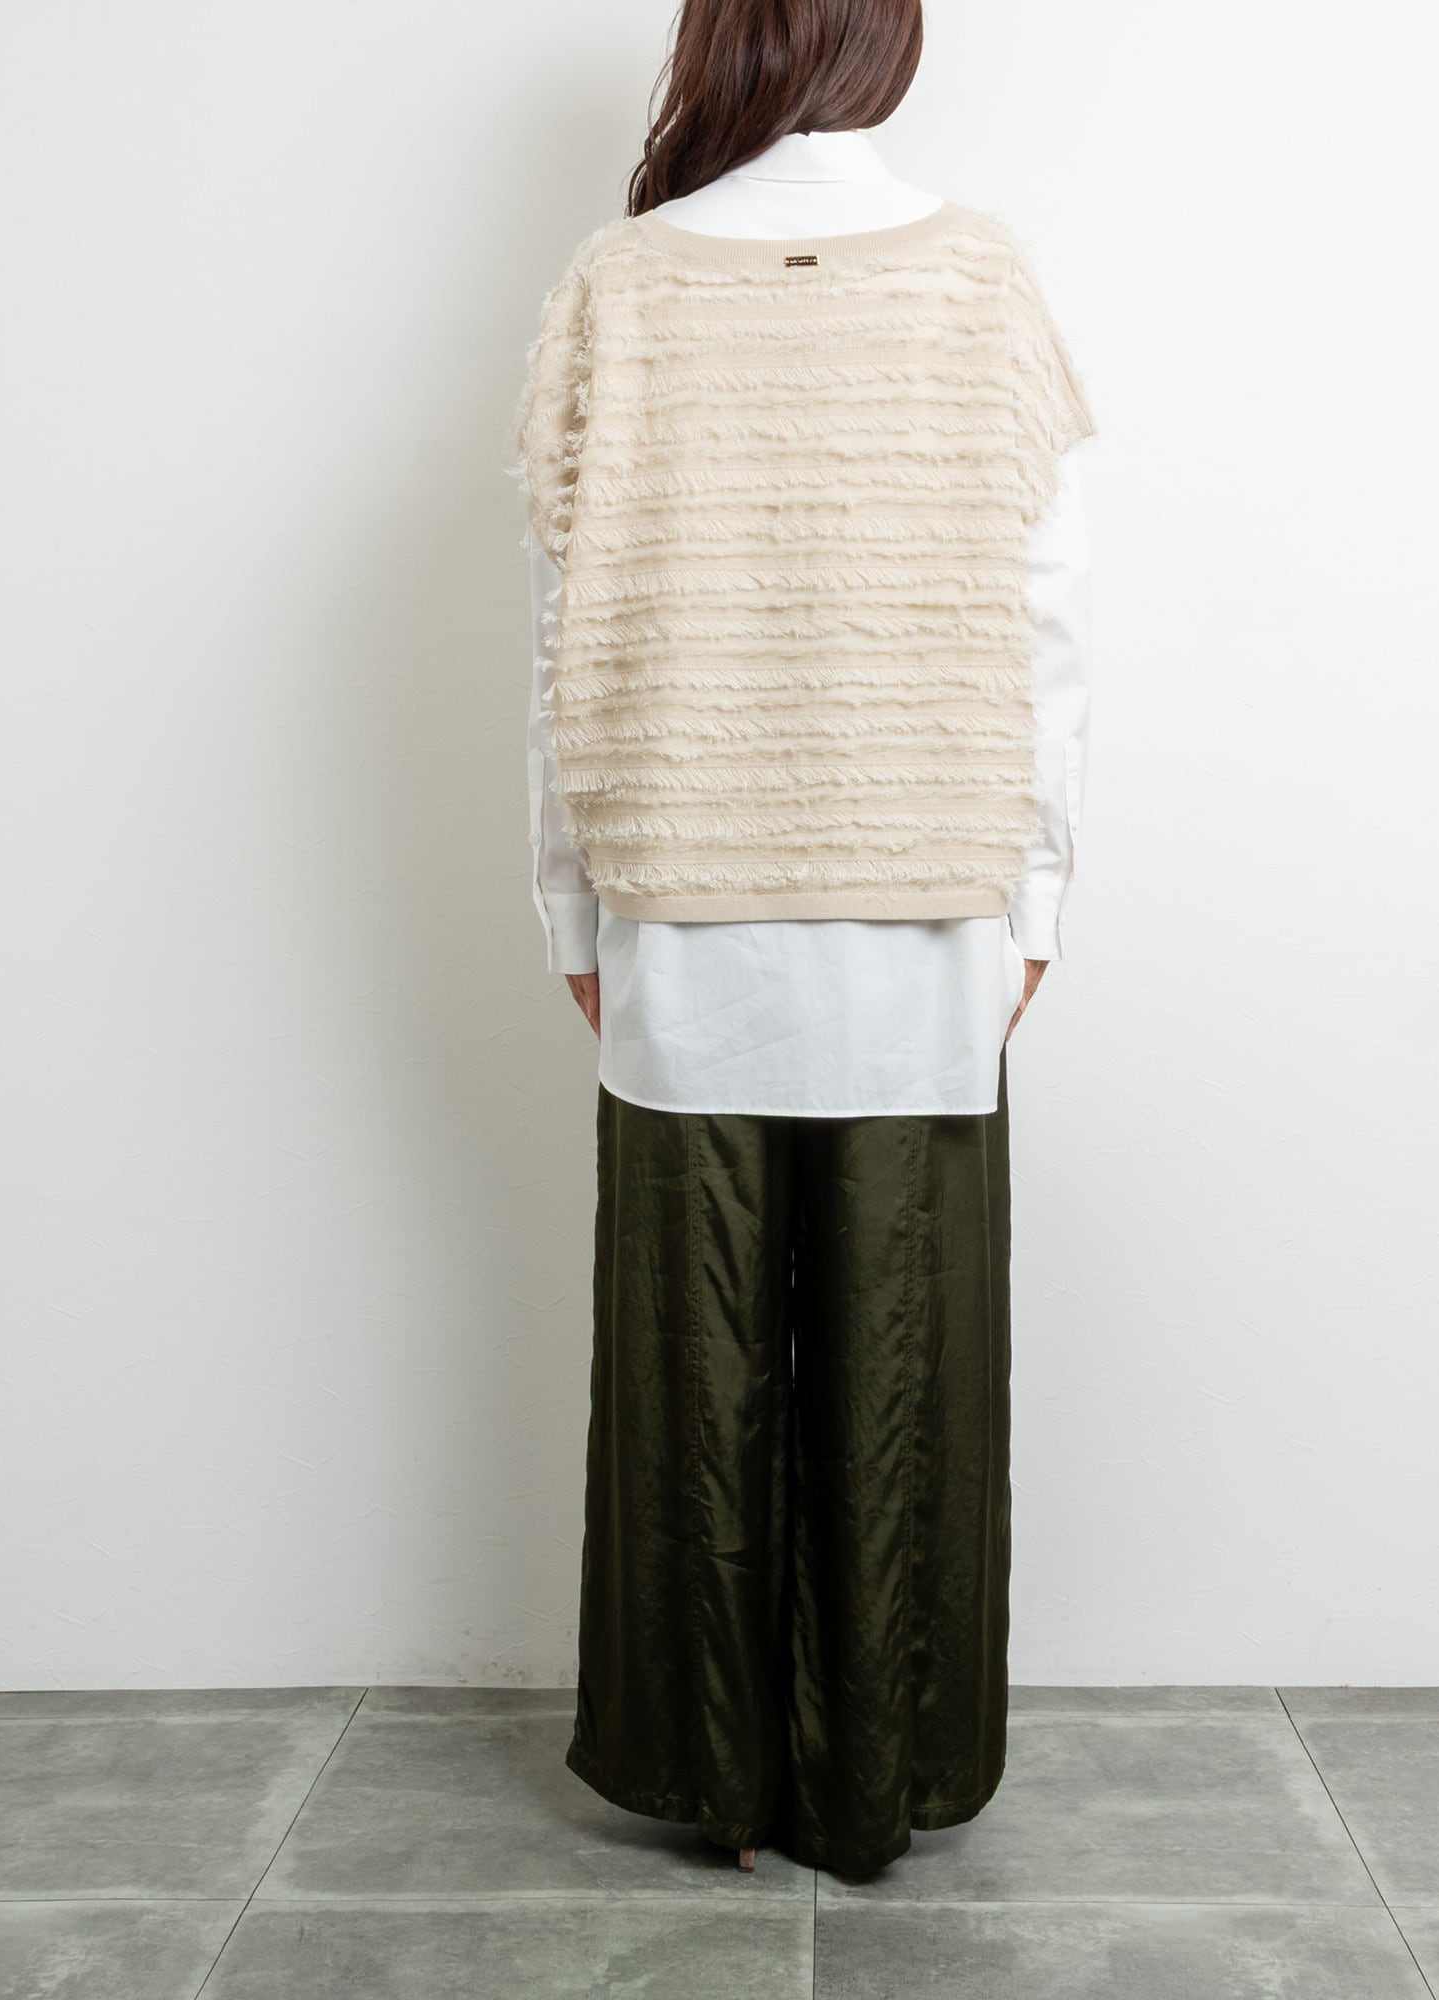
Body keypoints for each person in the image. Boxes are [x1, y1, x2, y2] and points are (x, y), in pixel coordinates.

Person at [513, 0, 1095, 1878]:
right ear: (879, 41)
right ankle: (875, 1782)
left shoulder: (619, 284)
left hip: (679, 901)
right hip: (926, 898)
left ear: (723, 40)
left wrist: (572, 899)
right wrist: (1038, 891)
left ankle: (719, 1786)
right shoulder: (980, 279)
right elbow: (1047, 623)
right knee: (901, 1353)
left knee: (691, 1356)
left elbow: (561, 629)